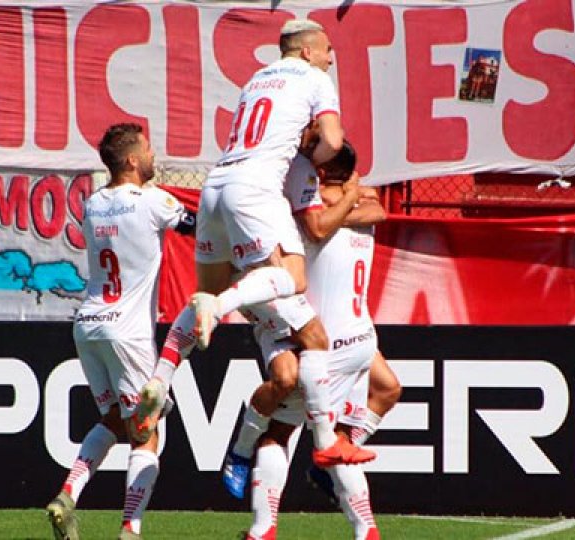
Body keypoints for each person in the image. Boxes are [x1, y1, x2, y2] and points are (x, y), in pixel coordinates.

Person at [135, 19, 370, 468]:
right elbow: (335, 142)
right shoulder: (315, 78)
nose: (330, 58)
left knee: (204, 293)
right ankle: (322, 438)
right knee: (292, 279)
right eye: (326, 50)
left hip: (216, 185)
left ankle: (161, 379)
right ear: (306, 52)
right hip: (255, 187)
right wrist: (315, 157)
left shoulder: (256, 79)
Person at [222, 142, 401, 502]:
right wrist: (344, 200)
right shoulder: (280, 188)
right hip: (275, 300)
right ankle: (240, 452)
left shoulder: (330, 196)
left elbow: (376, 208)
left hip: (321, 319)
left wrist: (344, 202)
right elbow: (317, 224)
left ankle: (328, 460)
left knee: (387, 389)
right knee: (285, 388)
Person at [45, 123, 196, 540]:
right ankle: (131, 527)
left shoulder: (93, 203)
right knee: (146, 434)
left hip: (89, 324)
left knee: (114, 418)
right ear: (132, 160)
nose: (153, 157)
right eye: (147, 150)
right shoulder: (153, 201)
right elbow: (195, 226)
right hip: (127, 333)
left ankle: (67, 493)